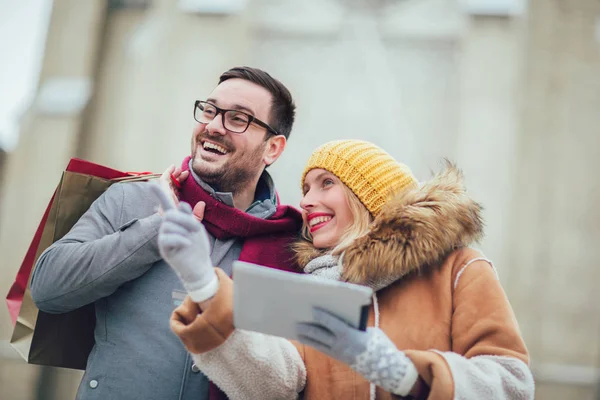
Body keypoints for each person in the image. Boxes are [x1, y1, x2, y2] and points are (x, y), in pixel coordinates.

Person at [161, 139, 535, 400]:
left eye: (327, 183)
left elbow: (511, 384)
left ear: (370, 198)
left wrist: (406, 375)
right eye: (306, 188)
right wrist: (204, 283)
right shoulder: (309, 285)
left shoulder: (458, 270)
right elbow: (274, 387)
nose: (307, 201)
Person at [29, 66, 305, 400]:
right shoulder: (132, 199)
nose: (214, 126)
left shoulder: (289, 244)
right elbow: (46, 289)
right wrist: (155, 230)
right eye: (209, 110)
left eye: (238, 118)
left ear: (273, 148)